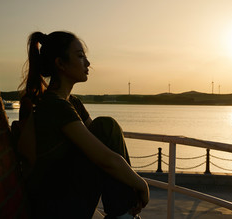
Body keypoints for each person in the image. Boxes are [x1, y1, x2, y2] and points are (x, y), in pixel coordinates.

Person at [18, 31, 149, 219]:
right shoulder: (54, 105)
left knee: (106, 127)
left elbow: (103, 144)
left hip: (66, 195)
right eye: (80, 56)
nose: (87, 63)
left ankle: (125, 213)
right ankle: (125, 214)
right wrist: (141, 184)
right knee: (107, 126)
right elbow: (105, 158)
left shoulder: (72, 103)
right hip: (55, 206)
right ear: (60, 63)